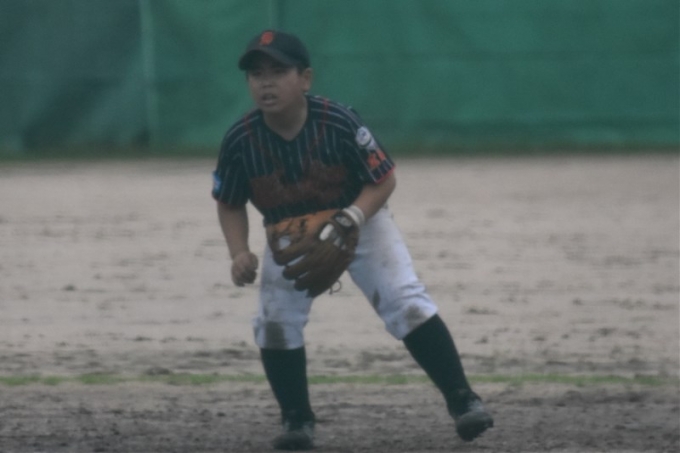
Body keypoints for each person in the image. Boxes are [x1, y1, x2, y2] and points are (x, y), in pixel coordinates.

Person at [212, 29, 494, 451]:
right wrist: (238, 251)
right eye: (256, 74)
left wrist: (351, 218)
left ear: (305, 78)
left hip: (361, 219)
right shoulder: (240, 139)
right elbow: (229, 201)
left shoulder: (338, 121)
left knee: (405, 301)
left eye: (278, 71)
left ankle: (462, 399)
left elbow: (383, 180)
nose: (266, 82)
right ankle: (297, 420)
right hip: (290, 235)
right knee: (274, 321)